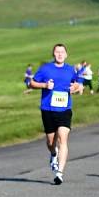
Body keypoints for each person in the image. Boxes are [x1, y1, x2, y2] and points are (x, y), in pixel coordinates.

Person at [29, 44, 83, 185]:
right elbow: (31, 83)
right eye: (57, 52)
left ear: (66, 55)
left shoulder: (70, 69)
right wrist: (44, 86)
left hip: (65, 109)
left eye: (62, 52)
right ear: (53, 54)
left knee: (63, 140)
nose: (59, 54)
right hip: (48, 109)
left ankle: (60, 173)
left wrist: (75, 87)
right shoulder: (46, 68)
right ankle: (53, 153)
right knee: (51, 142)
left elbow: (78, 84)